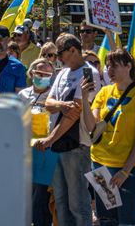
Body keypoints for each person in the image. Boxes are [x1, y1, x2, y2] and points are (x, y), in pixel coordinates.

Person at [35, 34, 101, 226]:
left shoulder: (89, 73)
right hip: (57, 145)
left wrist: (49, 140)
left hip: (76, 146)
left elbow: (75, 114)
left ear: (73, 50)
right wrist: (62, 105)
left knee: (77, 202)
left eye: (60, 53)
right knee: (61, 200)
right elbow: (48, 103)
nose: (58, 58)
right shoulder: (63, 73)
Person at [85, 49, 135, 226]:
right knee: (108, 219)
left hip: (126, 169)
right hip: (101, 165)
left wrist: (125, 171)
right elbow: (91, 127)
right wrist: (84, 100)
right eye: (107, 66)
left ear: (128, 66)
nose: (109, 70)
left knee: (127, 220)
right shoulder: (104, 91)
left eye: (114, 66)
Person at [18, 58, 57, 226]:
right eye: (39, 73)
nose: (42, 76)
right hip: (25, 153)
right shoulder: (22, 95)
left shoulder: (54, 96)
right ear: (31, 73)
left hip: (45, 153)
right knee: (26, 195)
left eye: (46, 74)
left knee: (41, 197)